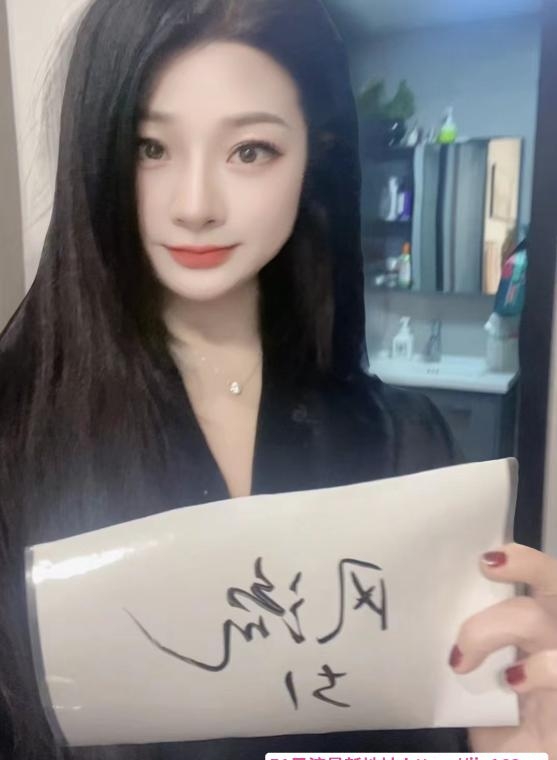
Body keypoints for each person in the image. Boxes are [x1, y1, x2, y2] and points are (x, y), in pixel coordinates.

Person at [1, 0, 556, 757]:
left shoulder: (404, 444)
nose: (195, 205)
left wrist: (508, 744)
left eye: (250, 150)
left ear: (313, 158)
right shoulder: (15, 431)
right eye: (150, 147)